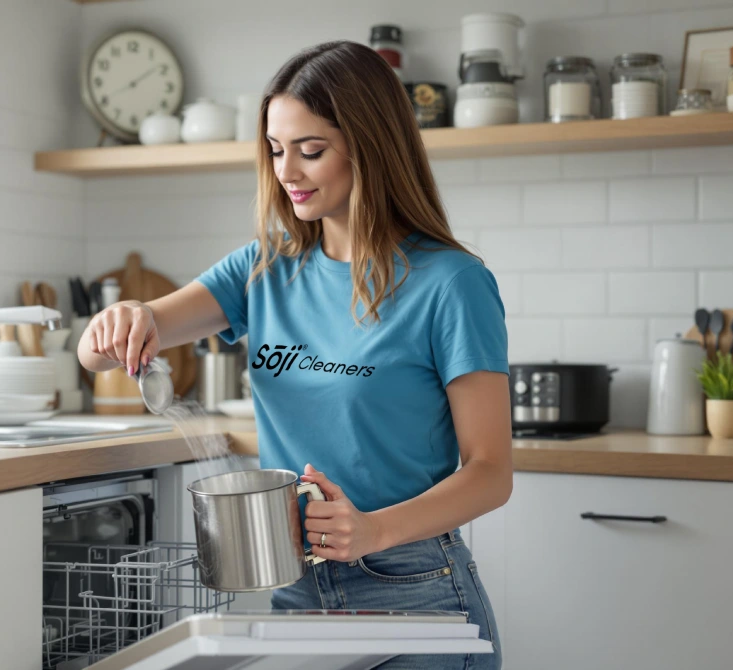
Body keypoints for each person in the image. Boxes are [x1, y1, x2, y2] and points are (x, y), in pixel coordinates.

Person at [77, 40, 510, 669]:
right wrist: (124, 320)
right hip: (298, 592)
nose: (288, 172)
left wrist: (374, 530)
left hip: (412, 589)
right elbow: (99, 356)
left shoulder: (451, 283)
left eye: (311, 151)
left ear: (371, 146)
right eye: (277, 151)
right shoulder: (264, 267)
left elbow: (492, 472)